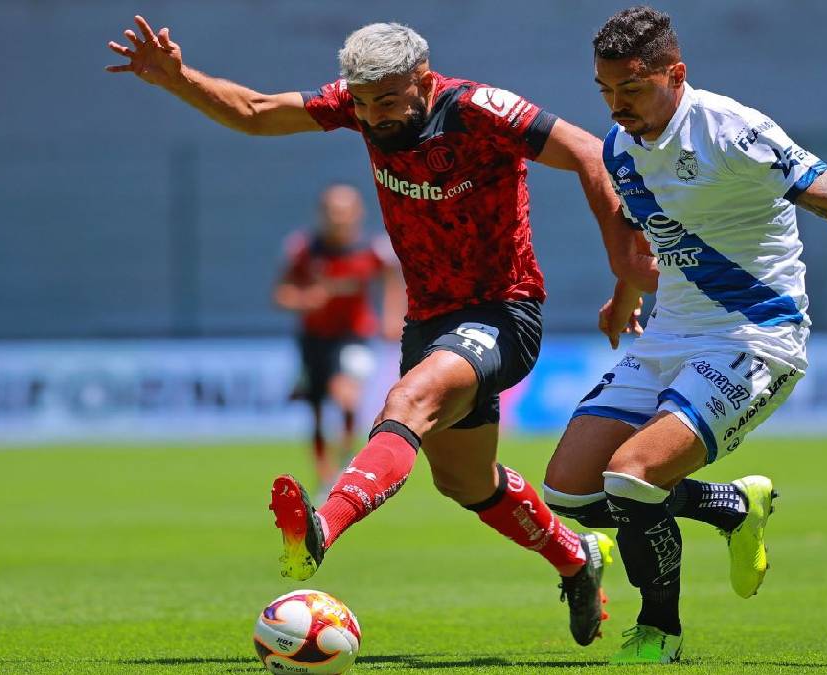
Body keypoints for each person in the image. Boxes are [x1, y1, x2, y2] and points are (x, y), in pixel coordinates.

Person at [106, 16, 656, 646]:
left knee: (407, 402)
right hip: (429, 320)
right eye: (362, 102)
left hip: (502, 309)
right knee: (465, 482)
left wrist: (624, 267)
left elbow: (590, 151)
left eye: (387, 101)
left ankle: (321, 528)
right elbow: (257, 111)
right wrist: (178, 79)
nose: (371, 115)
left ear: (423, 81)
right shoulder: (358, 102)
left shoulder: (481, 109)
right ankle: (576, 558)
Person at [540, 6, 827, 664]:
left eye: (630, 88)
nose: (616, 105)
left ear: (675, 74)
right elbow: (650, 238)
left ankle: (660, 631)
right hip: (669, 336)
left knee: (631, 478)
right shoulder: (620, 148)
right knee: (570, 490)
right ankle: (730, 505)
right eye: (604, 91)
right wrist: (623, 298)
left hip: (756, 337)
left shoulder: (733, 131)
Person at [274, 184, 404, 498]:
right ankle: (324, 475)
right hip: (315, 338)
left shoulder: (372, 249)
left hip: (355, 334)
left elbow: (393, 280)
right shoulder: (305, 250)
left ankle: (346, 456)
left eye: (344, 212)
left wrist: (392, 316)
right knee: (317, 410)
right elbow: (282, 293)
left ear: (357, 214)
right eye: (332, 212)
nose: (339, 219)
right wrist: (305, 300)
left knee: (346, 396)